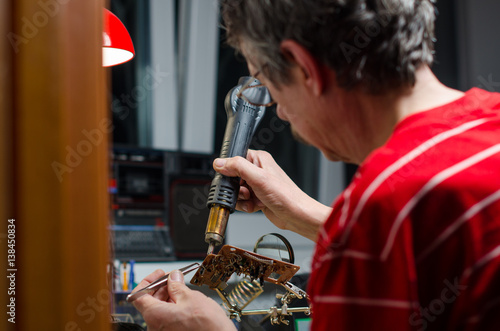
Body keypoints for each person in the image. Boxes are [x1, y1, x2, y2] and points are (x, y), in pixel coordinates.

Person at [132, 0, 500, 330]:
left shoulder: (383, 207)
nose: (280, 112)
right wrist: (306, 216)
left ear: (305, 68)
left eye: (270, 90)